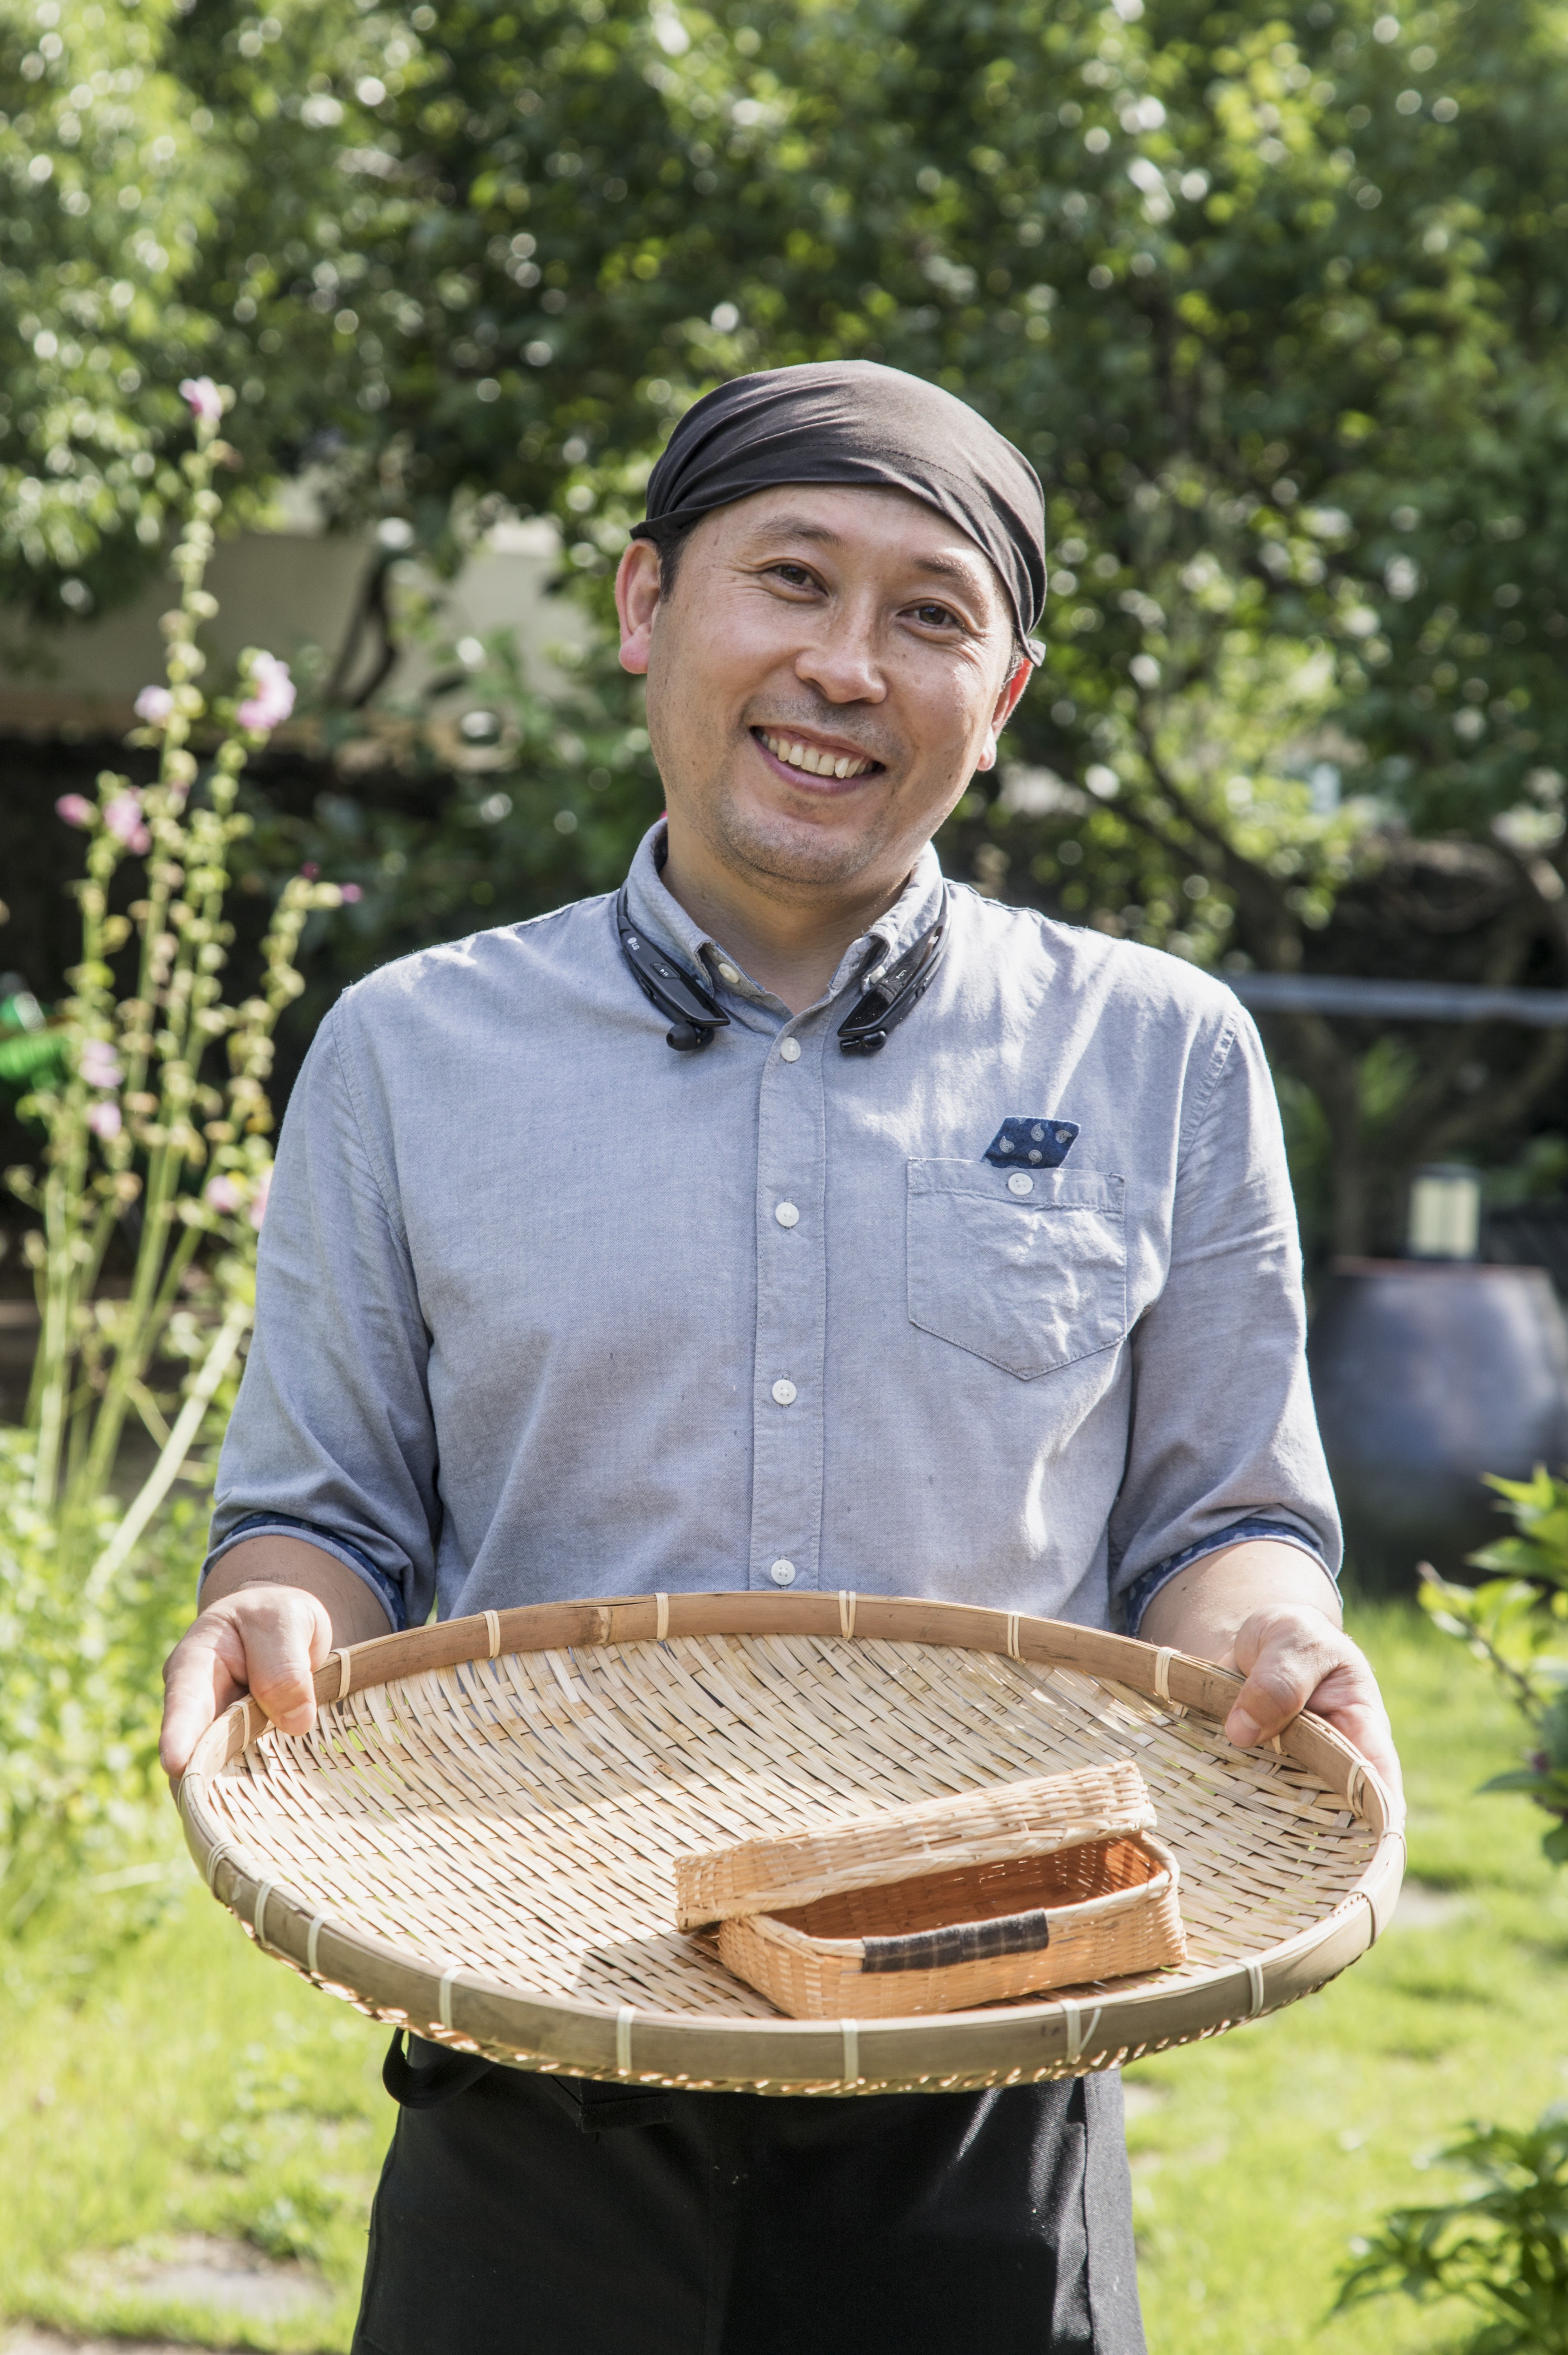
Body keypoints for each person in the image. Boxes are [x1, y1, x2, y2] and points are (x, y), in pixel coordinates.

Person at [160, 360, 1401, 2355]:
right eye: (792, 579)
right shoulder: (407, 1051)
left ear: (1001, 697)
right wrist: (272, 1609)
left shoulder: (1160, 1052)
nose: (847, 663)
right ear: (647, 604)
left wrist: (1272, 1633)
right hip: (531, 2028)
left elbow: (1218, 1514)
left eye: (930, 615)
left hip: (992, 2058)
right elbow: (332, 1517)